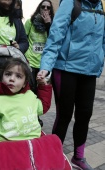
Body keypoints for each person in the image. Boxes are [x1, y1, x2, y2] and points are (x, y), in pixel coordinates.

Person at [37, 0, 105, 169]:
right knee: (64, 115)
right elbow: (55, 35)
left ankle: (78, 157)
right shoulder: (70, 3)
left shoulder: (101, 6)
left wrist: (99, 61)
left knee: (85, 115)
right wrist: (46, 66)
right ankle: (54, 158)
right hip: (66, 69)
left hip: (89, 71)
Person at [0, 58, 52, 170]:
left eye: (18, 76)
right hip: (8, 153)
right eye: (8, 74)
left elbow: (43, 107)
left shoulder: (29, 95)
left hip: (34, 148)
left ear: (24, 83)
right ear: (2, 76)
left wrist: (43, 86)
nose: (12, 79)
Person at [24, 0, 54, 94]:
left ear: (50, 10)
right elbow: (24, 39)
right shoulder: (30, 22)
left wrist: (48, 25)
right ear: (39, 8)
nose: (45, 9)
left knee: (42, 91)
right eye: (43, 6)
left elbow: (53, 41)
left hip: (44, 64)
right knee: (31, 90)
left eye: (48, 7)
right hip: (30, 61)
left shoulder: (53, 24)